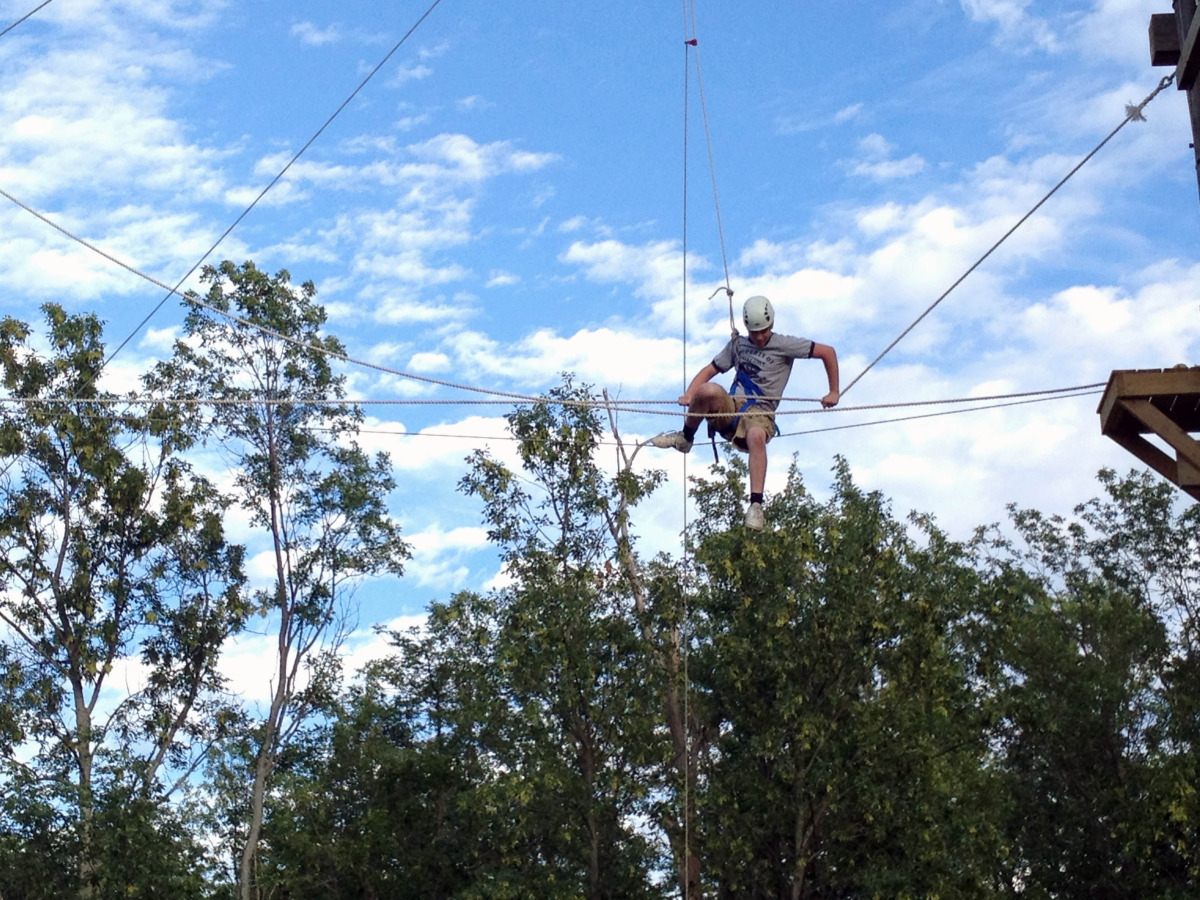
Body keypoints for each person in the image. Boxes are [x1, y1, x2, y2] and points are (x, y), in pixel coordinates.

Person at [650, 295, 839, 531]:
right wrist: (690, 394)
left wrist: (833, 391)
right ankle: (685, 437)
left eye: (764, 331)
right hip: (734, 405)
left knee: (757, 435)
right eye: (754, 332)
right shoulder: (738, 345)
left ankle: (756, 506)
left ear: (772, 325)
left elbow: (827, 352)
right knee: (707, 390)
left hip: (762, 410)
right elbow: (710, 370)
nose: (759, 337)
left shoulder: (785, 345)